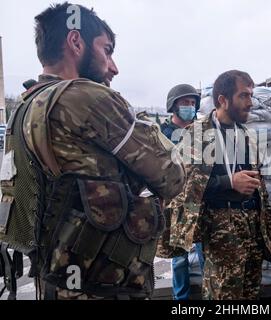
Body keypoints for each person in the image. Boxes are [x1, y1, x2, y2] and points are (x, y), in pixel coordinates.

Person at [0, 2, 185, 300]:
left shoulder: (26, 106)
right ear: (76, 42)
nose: (114, 67)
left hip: (55, 278)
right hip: (101, 285)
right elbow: (173, 177)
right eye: (107, 50)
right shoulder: (87, 97)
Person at [168, 70, 271, 300]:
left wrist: (270, 229)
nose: (250, 103)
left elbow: (258, 185)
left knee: (250, 295)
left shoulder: (247, 136)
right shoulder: (197, 135)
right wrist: (229, 181)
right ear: (223, 99)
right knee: (223, 296)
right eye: (243, 96)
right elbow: (182, 185)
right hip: (221, 230)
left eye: (251, 95)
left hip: (252, 227)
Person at [157, 84, 205, 300]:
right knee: (179, 257)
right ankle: (181, 300)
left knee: (206, 251)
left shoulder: (202, 130)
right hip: (175, 202)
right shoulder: (162, 133)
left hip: (201, 200)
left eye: (193, 103)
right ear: (173, 105)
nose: (190, 106)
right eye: (185, 102)